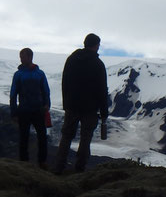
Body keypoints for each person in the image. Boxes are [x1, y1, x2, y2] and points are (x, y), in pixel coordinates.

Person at [54, 33, 109, 174]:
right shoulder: (98, 64)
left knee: (66, 135)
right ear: (96, 45)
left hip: (72, 105)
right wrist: (104, 112)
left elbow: (64, 82)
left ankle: (59, 167)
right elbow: (102, 89)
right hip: (90, 108)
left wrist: (66, 103)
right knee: (86, 138)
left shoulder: (71, 60)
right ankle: (80, 169)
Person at [10, 48, 51, 169]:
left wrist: (46, 105)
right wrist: (14, 112)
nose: (21, 59)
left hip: (38, 110)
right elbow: (13, 94)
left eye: (23, 56)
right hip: (24, 110)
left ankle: (42, 161)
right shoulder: (18, 74)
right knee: (24, 137)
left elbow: (45, 91)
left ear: (30, 57)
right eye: (20, 56)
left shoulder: (40, 73)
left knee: (42, 136)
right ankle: (24, 161)